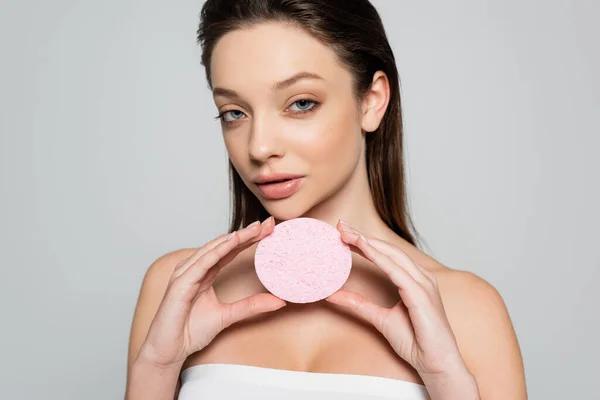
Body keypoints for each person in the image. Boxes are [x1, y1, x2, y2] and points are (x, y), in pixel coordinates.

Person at [125, 1, 527, 399]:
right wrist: (156, 368)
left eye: (301, 103)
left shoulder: (467, 310)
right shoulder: (179, 289)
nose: (259, 146)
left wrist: (445, 379)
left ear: (372, 101)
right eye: (234, 113)